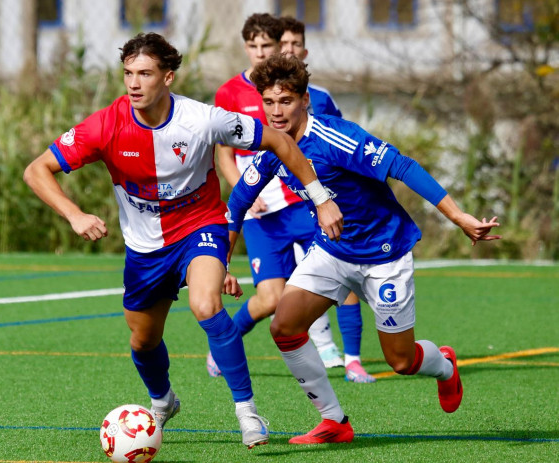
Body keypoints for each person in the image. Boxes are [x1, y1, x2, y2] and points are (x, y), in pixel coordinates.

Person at [23, 33, 343, 448]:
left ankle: (247, 411)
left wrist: (320, 199)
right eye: (128, 74)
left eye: (145, 74)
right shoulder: (104, 125)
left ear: (168, 76)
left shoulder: (203, 119)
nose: (134, 83)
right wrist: (75, 214)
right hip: (144, 248)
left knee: (206, 305)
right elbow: (36, 170)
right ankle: (163, 400)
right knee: (143, 340)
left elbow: (279, 141)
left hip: (201, 227)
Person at [227, 54, 501, 444]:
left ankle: (444, 365)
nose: (275, 111)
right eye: (268, 102)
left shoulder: (336, 137)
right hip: (333, 252)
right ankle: (334, 421)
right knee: (284, 327)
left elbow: (403, 167)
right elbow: (237, 204)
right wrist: (222, 263)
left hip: (384, 254)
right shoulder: (273, 149)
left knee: (401, 361)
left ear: (305, 100)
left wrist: (457, 217)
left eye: (285, 101)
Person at [210, 12, 344, 376]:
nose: (259, 53)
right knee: (270, 298)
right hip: (260, 210)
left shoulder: (299, 95)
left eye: (267, 45)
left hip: (301, 202)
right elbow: (223, 153)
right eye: (252, 46)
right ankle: (224, 346)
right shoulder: (230, 92)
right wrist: (245, 191)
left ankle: (342, 352)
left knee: (334, 271)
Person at [280, 15, 375, 383]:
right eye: (282, 44)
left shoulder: (322, 100)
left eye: (294, 44)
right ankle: (225, 344)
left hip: (324, 204)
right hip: (279, 209)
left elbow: (340, 145)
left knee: (343, 275)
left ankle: (351, 358)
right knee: (278, 295)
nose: (288, 50)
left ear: (304, 52)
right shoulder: (266, 99)